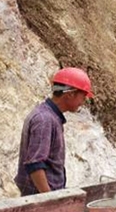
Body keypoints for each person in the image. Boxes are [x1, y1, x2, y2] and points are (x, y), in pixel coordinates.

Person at [14, 67, 94, 196]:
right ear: (70, 94)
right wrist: (50, 199)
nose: (83, 102)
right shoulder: (45, 120)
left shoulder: (49, 116)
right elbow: (35, 165)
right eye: (83, 97)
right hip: (39, 201)